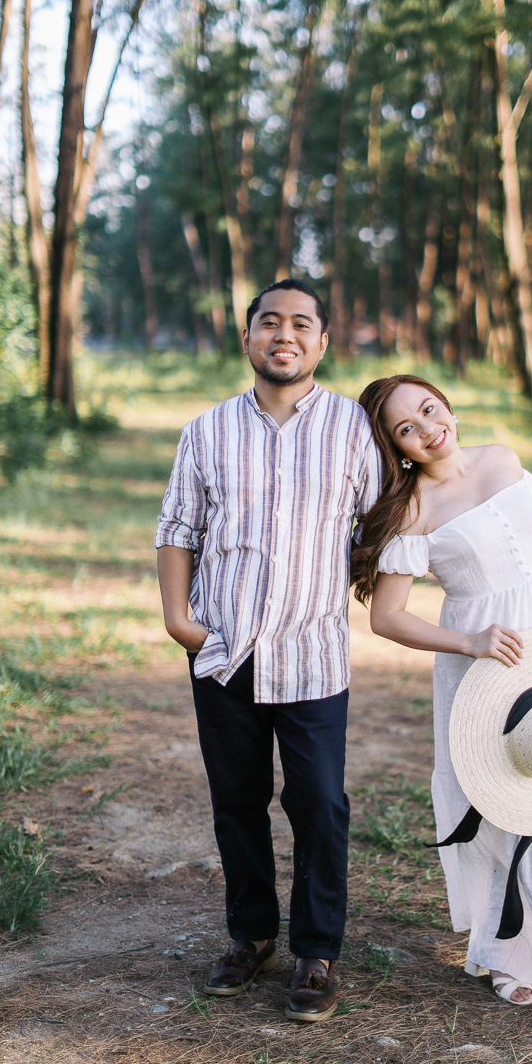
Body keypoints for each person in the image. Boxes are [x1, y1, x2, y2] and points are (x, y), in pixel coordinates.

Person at [351, 375, 532, 1042]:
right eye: (405, 429)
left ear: (448, 406)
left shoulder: (504, 459)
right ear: (396, 449)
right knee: (503, 810)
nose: (427, 429)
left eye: (429, 409)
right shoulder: (413, 509)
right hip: (483, 661)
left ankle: (498, 950)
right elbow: (386, 617)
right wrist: (471, 642)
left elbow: (530, 563)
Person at [155, 279, 382, 1023]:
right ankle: (250, 935)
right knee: (237, 799)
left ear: (322, 342)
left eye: (301, 324)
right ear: (248, 336)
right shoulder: (207, 430)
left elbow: (383, 525)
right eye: (270, 322)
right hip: (223, 650)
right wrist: (180, 623)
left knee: (319, 803)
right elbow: (178, 529)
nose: (285, 335)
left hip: (312, 653)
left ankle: (317, 952)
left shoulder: (353, 428)